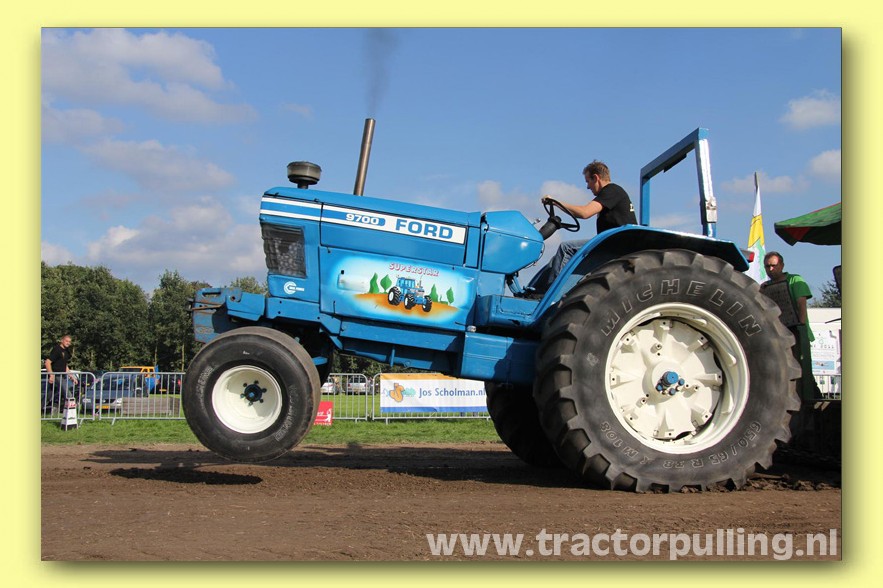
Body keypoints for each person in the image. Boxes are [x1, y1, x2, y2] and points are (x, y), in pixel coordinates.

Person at [526, 160, 637, 295]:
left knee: (566, 248)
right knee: (555, 261)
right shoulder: (611, 194)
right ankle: (533, 292)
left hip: (616, 247)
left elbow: (585, 213)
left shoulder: (612, 190)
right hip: (610, 243)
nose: (588, 187)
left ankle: (551, 295)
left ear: (596, 178)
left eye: (588, 181)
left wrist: (556, 203)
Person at [759, 252, 820, 400]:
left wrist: (801, 327)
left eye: (774, 265)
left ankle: (812, 397)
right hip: (779, 335)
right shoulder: (765, 287)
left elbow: (801, 304)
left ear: (782, 265)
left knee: (802, 368)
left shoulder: (795, 280)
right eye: (767, 266)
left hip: (796, 331)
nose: (771, 269)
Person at [44, 334, 78, 406]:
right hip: (56, 375)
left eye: (69, 342)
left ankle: (40, 407)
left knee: (50, 394)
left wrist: (71, 376)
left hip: (63, 375)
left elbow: (64, 365)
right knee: (67, 393)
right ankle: (72, 409)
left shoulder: (66, 351)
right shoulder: (57, 350)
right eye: (66, 341)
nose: (68, 343)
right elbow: (47, 362)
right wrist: (51, 375)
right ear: (62, 341)